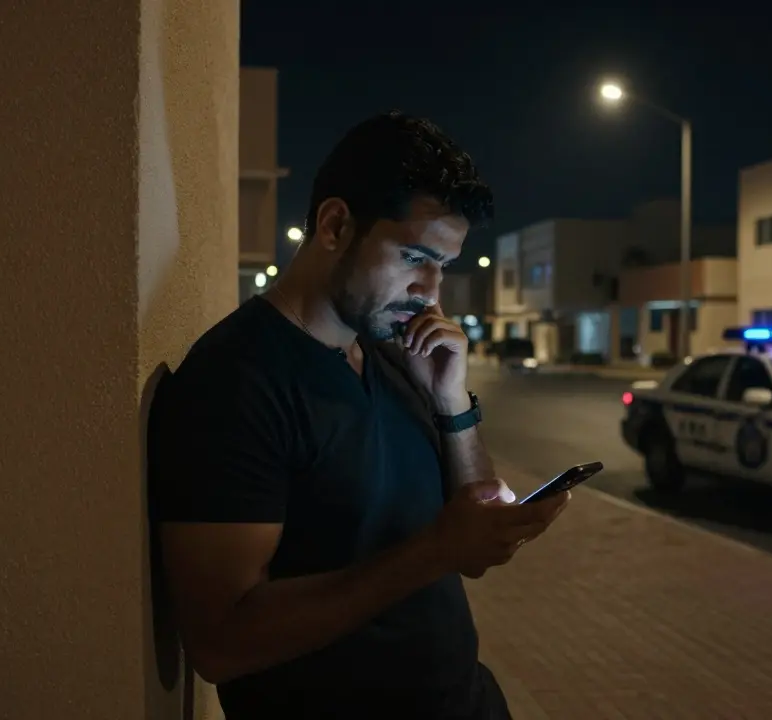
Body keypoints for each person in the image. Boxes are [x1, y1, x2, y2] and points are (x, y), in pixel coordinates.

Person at [153, 111, 571, 719]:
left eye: (443, 266)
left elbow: (474, 549)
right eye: (413, 256)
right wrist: (434, 551)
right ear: (335, 225)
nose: (430, 290)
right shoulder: (235, 381)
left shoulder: (392, 355)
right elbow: (219, 643)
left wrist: (453, 402)